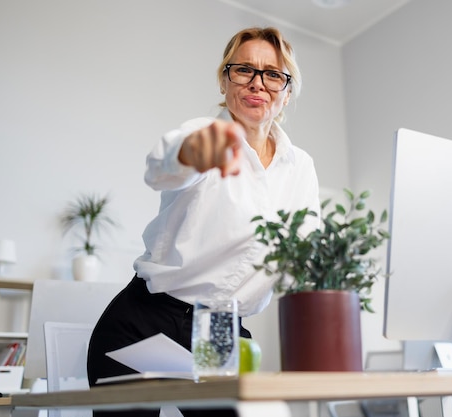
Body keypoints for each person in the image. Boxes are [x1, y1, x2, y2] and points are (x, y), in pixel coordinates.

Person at [86, 27, 320, 417]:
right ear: (225, 80)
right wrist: (191, 154)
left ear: (287, 91)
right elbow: (162, 168)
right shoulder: (203, 134)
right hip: (144, 320)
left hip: (221, 331)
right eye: (244, 69)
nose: (257, 83)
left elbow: (306, 249)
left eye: (272, 74)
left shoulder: (301, 167)